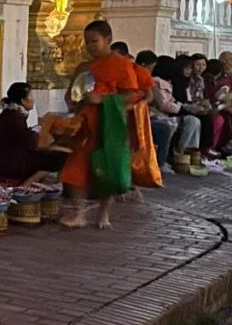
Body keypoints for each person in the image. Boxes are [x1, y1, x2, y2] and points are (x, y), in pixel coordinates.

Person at [60, 21, 138, 229]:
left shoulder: (122, 65)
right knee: (75, 168)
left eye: (94, 41)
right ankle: (78, 213)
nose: (90, 46)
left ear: (108, 40)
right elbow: (72, 94)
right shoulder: (84, 67)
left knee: (107, 169)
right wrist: (75, 100)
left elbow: (132, 95)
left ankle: (103, 214)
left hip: (109, 124)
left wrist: (102, 100)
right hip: (85, 125)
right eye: (87, 42)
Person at [0, 82, 65, 185]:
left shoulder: (12, 114)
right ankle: (26, 185)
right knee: (57, 159)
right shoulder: (13, 117)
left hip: (8, 159)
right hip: (6, 164)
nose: (33, 99)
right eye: (31, 95)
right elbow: (32, 142)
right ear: (23, 100)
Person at [111, 42, 161, 195]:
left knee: (132, 148)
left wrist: (135, 105)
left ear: (126, 56)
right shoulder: (110, 71)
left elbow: (150, 97)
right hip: (114, 112)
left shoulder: (139, 72)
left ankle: (131, 181)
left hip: (134, 116)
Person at [152, 55, 202, 165]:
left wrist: (188, 107)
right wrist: (182, 107)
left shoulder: (175, 82)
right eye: (187, 68)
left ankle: (186, 154)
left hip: (173, 113)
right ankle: (168, 159)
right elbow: (164, 104)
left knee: (194, 121)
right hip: (161, 115)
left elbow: (174, 100)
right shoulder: (156, 82)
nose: (189, 71)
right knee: (171, 124)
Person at [135, 51, 176, 172]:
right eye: (150, 68)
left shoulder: (147, 78)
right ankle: (159, 162)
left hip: (145, 112)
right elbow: (153, 99)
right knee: (164, 127)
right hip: (137, 114)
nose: (151, 71)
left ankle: (164, 159)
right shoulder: (138, 76)